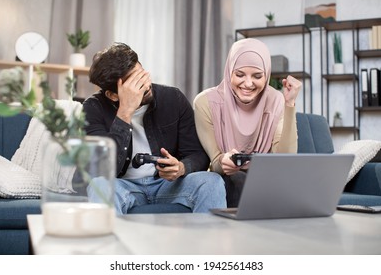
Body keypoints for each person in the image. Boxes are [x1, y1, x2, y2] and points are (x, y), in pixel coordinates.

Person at [83, 42, 226, 215]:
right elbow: (101, 169)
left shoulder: (173, 98)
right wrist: (125, 112)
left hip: (167, 185)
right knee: (100, 186)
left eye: (142, 74)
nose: (146, 85)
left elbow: (198, 154)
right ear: (112, 95)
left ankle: (210, 242)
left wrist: (181, 167)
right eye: (135, 84)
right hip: (122, 186)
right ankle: (107, 242)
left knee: (211, 182)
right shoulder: (93, 108)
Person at [193, 38, 302, 207]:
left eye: (257, 76)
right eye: (239, 74)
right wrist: (224, 161)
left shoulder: (276, 100)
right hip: (226, 180)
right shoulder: (205, 102)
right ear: (229, 72)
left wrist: (289, 104)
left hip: (266, 178)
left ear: (266, 75)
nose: (248, 83)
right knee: (237, 179)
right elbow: (214, 162)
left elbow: (286, 158)